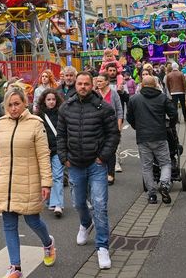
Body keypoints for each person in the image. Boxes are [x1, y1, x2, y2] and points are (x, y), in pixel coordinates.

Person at [56, 71, 120, 270]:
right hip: (74, 163)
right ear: (75, 85)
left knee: (100, 205)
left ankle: (102, 246)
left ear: (93, 85)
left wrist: (103, 157)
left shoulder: (104, 108)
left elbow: (113, 135)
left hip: (96, 164)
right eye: (79, 83)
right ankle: (85, 223)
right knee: (77, 202)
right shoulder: (66, 107)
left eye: (86, 84)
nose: (82, 86)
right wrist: (64, 158)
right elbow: (61, 136)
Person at [0, 86, 56, 278]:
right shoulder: (1, 123)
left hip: (29, 181)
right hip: (6, 183)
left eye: (16, 104)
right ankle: (15, 267)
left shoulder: (36, 124)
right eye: (9, 105)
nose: (13, 108)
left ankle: (48, 243)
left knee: (32, 220)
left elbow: (44, 156)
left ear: (24, 103)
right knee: (9, 224)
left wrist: (46, 183)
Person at [127, 75, 178, 205]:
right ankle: (165, 184)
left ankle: (151, 195)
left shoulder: (134, 99)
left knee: (147, 166)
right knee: (165, 163)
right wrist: (170, 125)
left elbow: (130, 117)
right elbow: (173, 113)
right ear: (156, 85)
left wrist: (136, 127)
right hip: (160, 135)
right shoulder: (162, 97)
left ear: (142, 85)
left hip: (143, 137)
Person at [36, 88, 65, 217]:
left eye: (53, 99)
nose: (51, 102)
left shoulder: (62, 113)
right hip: (44, 151)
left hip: (58, 149)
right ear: (44, 101)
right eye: (49, 99)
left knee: (58, 176)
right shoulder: (38, 116)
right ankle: (50, 201)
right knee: (46, 177)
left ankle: (58, 204)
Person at [93, 73, 124, 182]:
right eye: (97, 81)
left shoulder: (114, 93)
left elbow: (119, 110)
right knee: (100, 149)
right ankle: (101, 172)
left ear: (107, 82)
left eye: (101, 81)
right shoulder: (95, 94)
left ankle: (110, 173)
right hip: (98, 127)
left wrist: (119, 126)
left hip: (111, 126)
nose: (99, 83)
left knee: (111, 149)